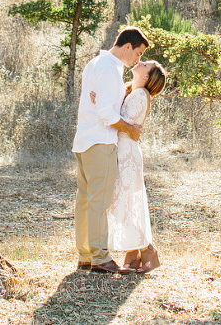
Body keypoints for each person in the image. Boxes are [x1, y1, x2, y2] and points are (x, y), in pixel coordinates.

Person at [72, 28, 148, 274]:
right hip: (100, 142)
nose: (137, 60)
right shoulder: (108, 68)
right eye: (137, 53)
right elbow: (106, 113)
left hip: (85, 140)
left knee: (85, 200)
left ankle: (86, 255)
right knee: (98, 202)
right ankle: (100, 258)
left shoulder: (97, 63)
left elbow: (98, 103)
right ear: (127, 46)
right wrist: (130, 129)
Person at [109, 59, 167, 273]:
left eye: (146, 64)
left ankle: (147, 248)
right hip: (122, 152)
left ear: (146, 76)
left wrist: (101, 106)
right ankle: (132, 252)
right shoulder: (130, 91)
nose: (140, 62)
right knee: (122, 203)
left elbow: (122, 123)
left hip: (128, 154)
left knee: (125, 202)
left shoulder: (141, 95)